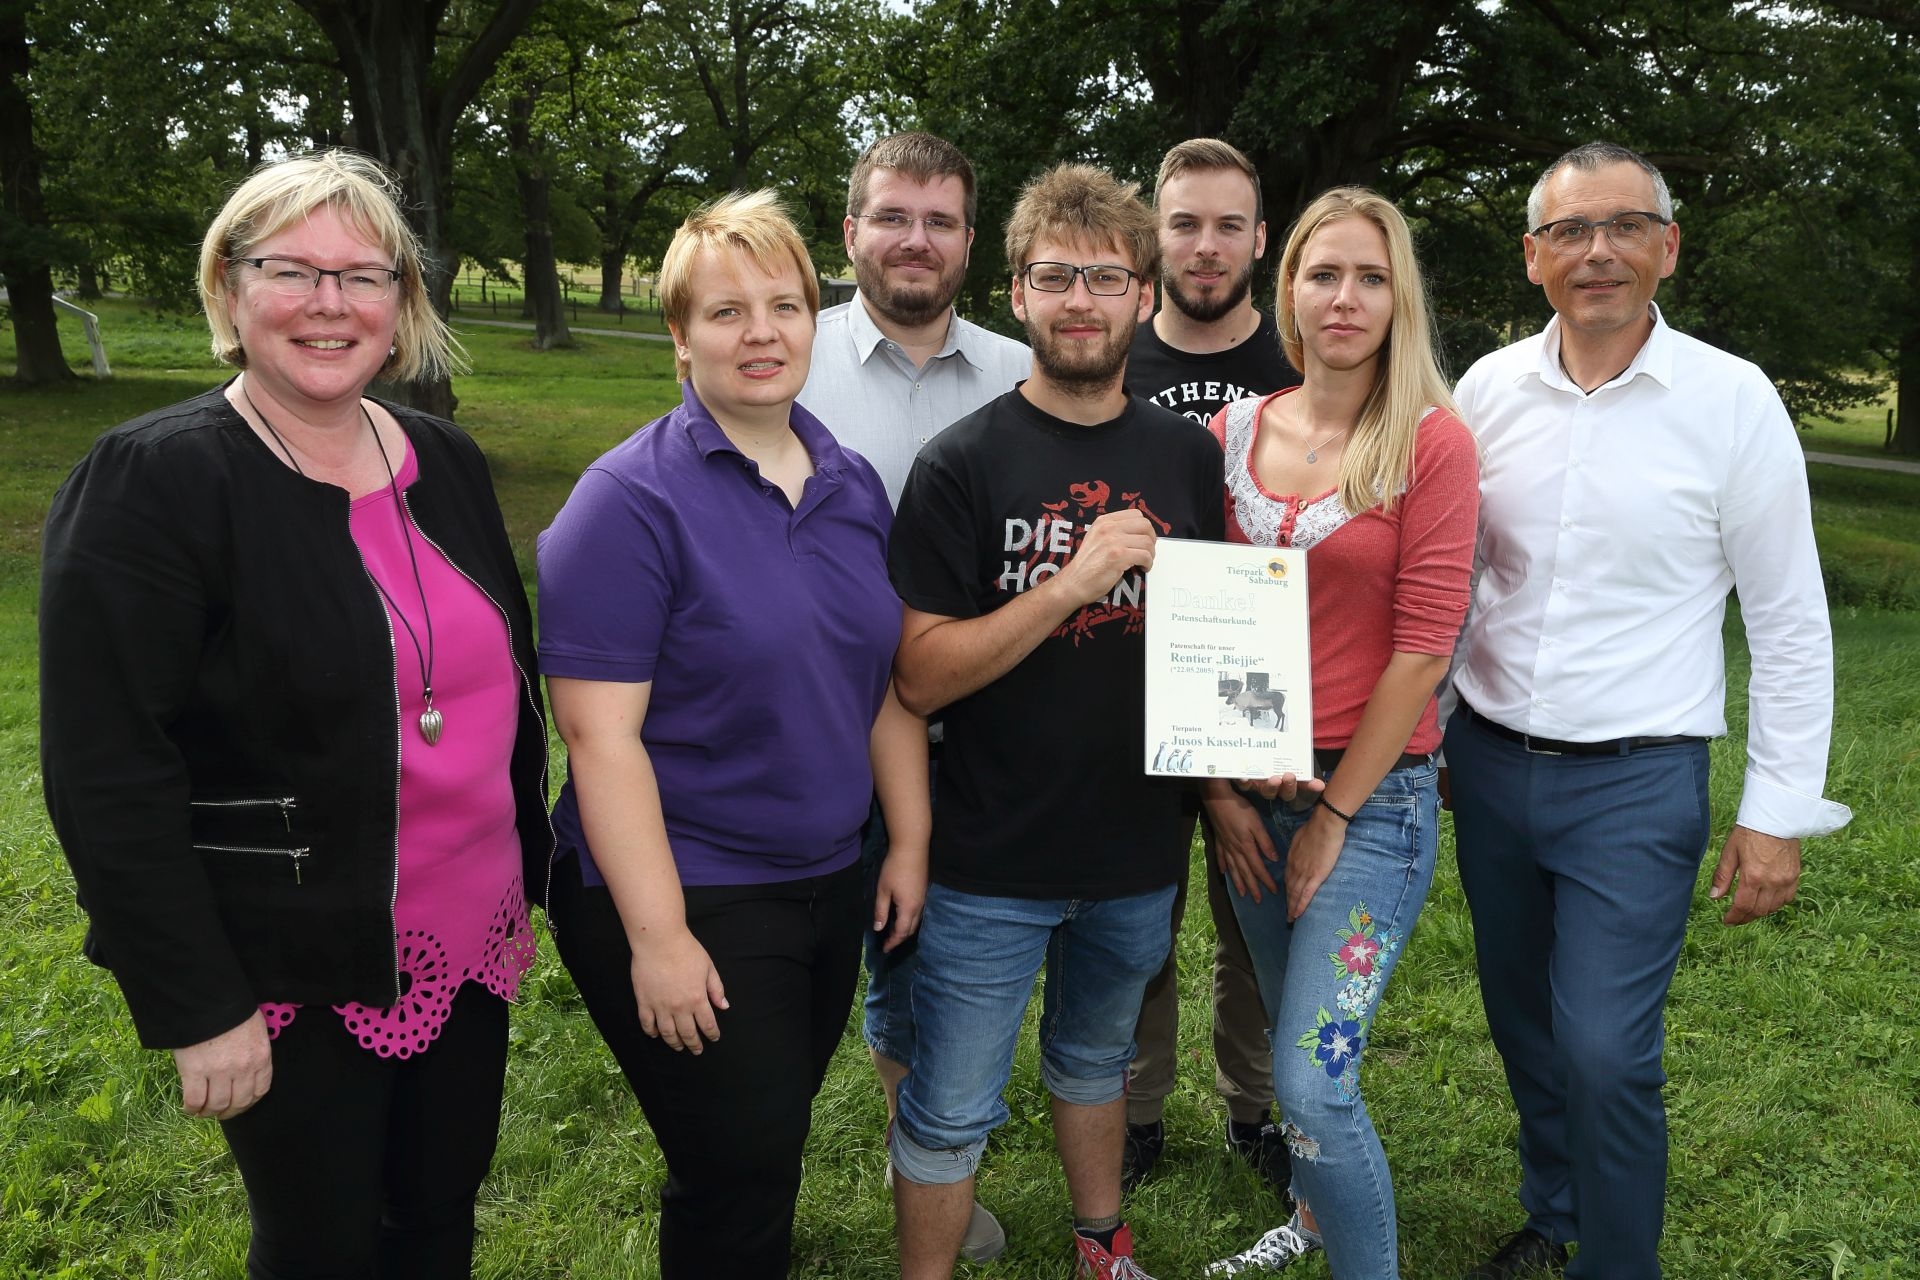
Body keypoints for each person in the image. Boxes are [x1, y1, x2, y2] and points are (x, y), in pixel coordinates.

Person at [39, 149, 551, 1278]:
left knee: (437, 1217)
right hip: (288, 953)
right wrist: (196, 1002)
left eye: (363, 276)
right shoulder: (153, 482)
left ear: (400, 305)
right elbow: (106, 769)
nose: (330, 303)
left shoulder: (447, 462)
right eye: (292, 271)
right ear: (228, 289)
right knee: (322, 1243)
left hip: (465, 931)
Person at [1444, 141, 1850, 1280]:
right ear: (1533, 257)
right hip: (1488, 765)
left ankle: (1618, 1263)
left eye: (1625, 225)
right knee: (1524, 1021)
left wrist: (1776, 812)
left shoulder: (1733, 401)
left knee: (1605, 1048)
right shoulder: (1484, 393)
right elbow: (1455, 580)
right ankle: (1556, 1208)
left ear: (1668, 247)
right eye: (1570, 230)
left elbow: (1790, 620)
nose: (1599, 251)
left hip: (1637, 778)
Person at [537, 189, 930, 1279]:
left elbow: (881, 682)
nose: (761, 332)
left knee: (764, 1139)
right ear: (680, 336)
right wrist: (659, 937)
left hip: (829, 875)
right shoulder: (626, 502)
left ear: (815, 319)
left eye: (784, 305)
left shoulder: (850, 481)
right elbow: (599, 738)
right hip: (687, 879)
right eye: (726, 312)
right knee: (740, 1164)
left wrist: (906, 841)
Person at [887, 162, 1224, 1280]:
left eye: (1107, 278)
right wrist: (1073, 582)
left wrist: (1235, 769)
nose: (1082, 300)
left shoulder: (1187, 458)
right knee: (950, 1104)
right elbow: (920, 677)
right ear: (1018, 293)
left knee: (1097, 1062)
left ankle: (1101, 1245)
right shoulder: (960, 464)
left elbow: (1215, 639)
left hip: (1136, 848)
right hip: (990, 856)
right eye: (1055, 276)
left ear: (1144, 295)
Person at [1203, 187, 1479, 1278]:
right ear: (1290, 291)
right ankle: (1313, 1220)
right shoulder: (1233, 431)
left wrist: (1333, 818)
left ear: (1399, 297)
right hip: (1247, 798)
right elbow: (1204, 623)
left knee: (1314, 1080)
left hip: (1372, 807)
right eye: (1325, 274)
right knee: (1287, 1036)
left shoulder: (1431, 443)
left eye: (1372, 277)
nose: (1346, 298)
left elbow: (1423, 649)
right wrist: (1220, 791)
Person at [798, 131, 1030, 1263]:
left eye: (940, 221)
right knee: (795, 967)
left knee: (924, 952)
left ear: (970, 244)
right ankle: (747, 1172)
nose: (915, 240)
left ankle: (919, 1151)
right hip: (814, 723)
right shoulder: (790, 354)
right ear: (852, 232)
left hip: (973, 728)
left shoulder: (1019, 371)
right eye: (893, 216)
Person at [1122, 138, 1303, 1196]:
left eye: (1228, 225)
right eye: (1184, 223)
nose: (1205, 245)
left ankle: (1254, 1108)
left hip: (1261, 697)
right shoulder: (1111, 357)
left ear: (1260, 239)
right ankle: (1135, 1109)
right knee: (1138, 924)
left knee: (1257, 919)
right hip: (1127, 687)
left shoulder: (1301, 366)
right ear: (1157, 234)